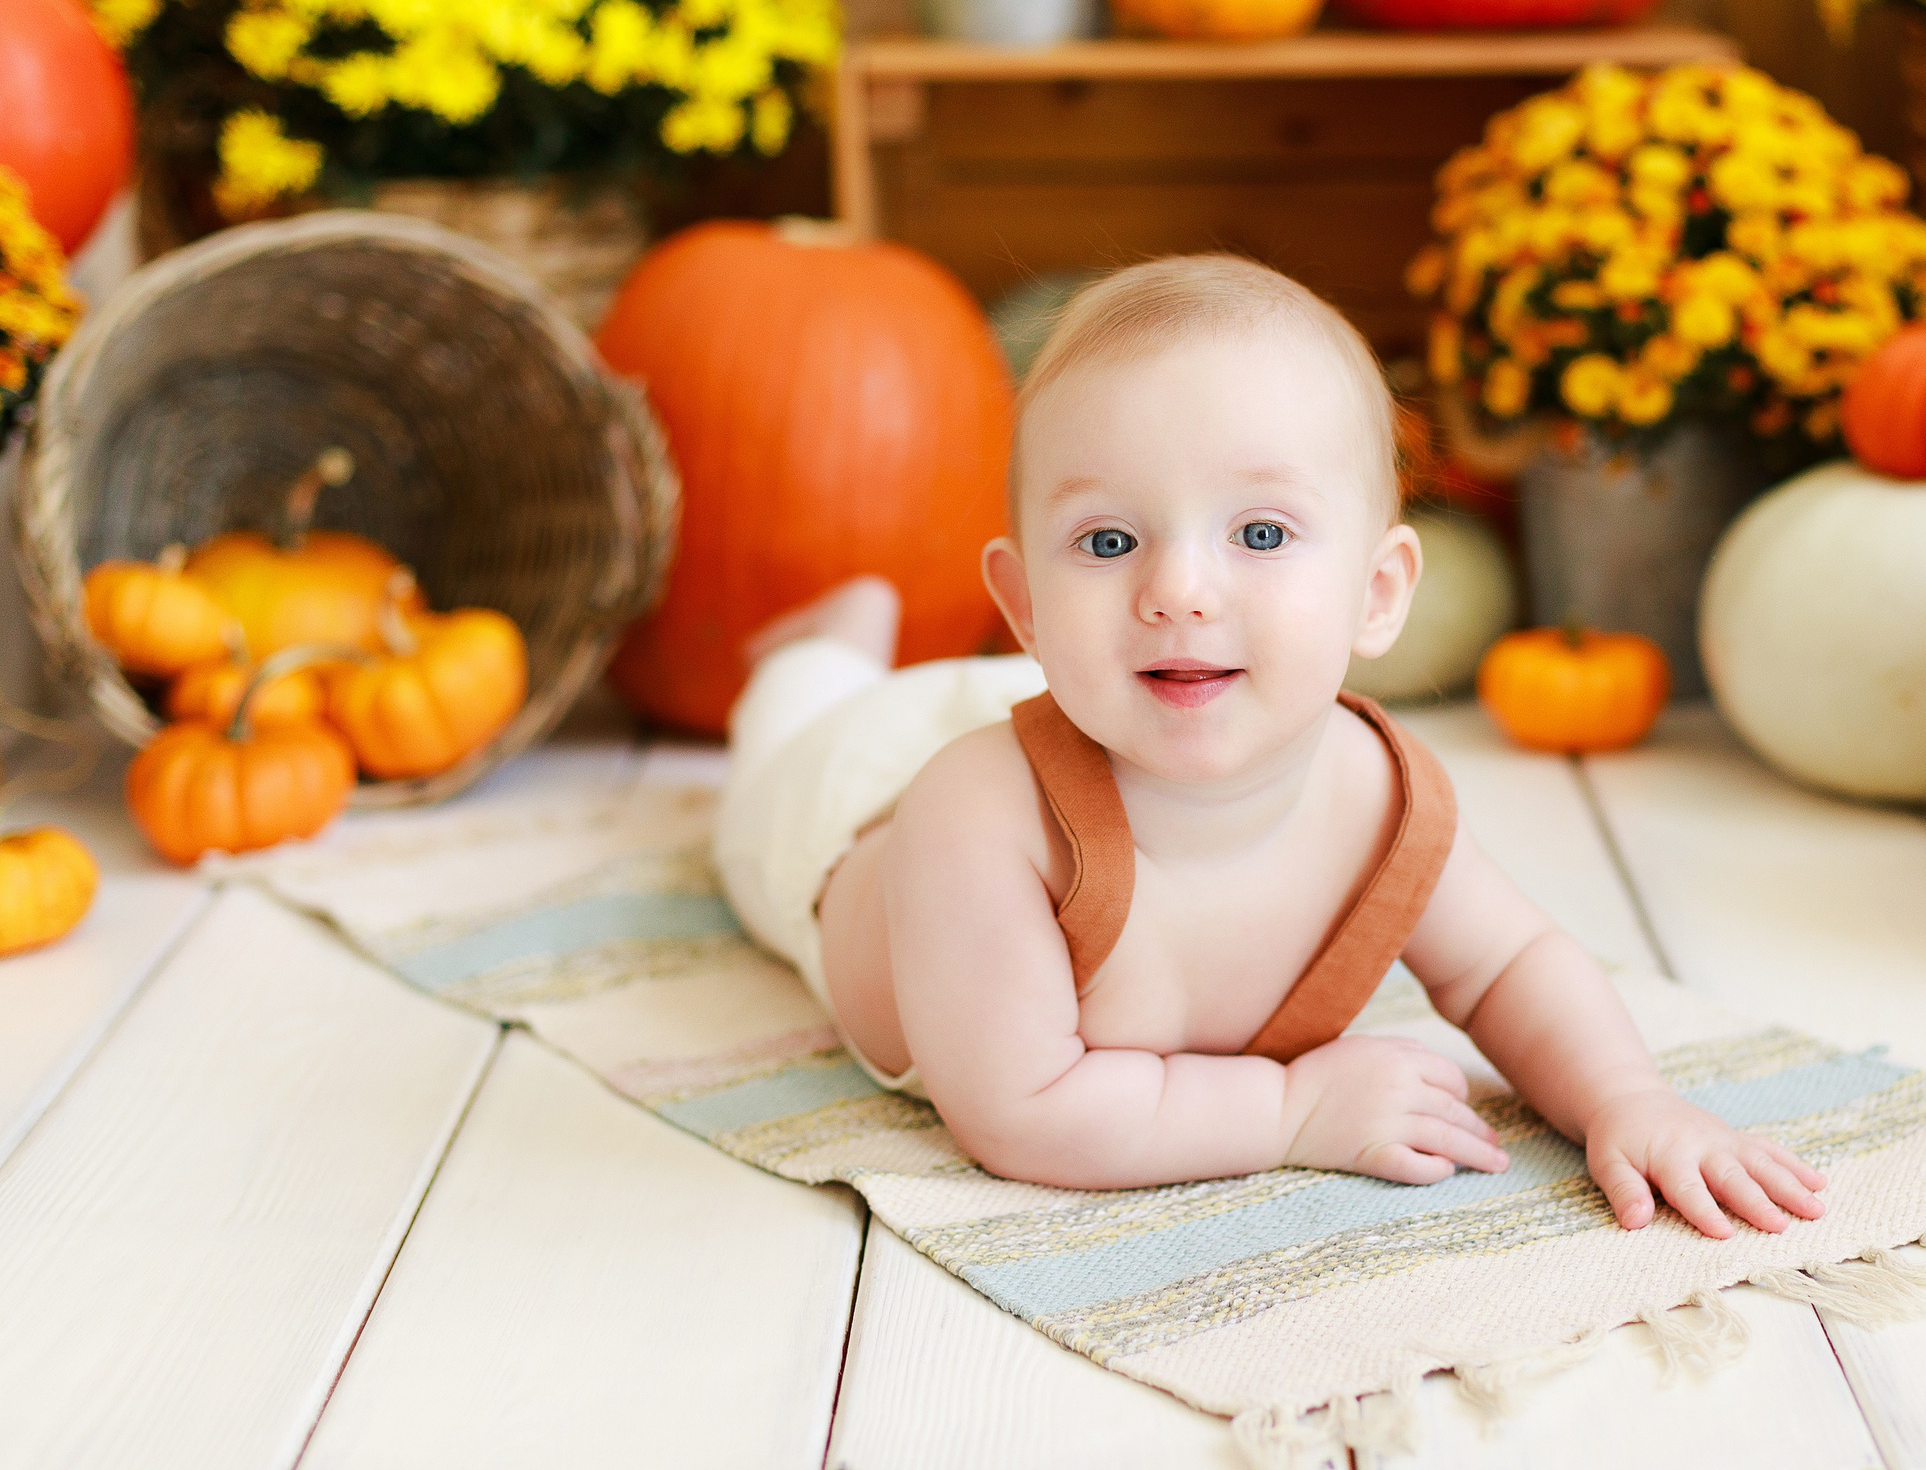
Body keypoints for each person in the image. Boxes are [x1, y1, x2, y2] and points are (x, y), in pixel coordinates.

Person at [716, 256, 1827, 1237]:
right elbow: (1021, 1110)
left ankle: (855, 646)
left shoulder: (1374, 797)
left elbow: (1508, 963)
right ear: (1025, 601)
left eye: (1259, 533)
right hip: (845, 807)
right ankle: (826, 649)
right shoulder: (977, 818)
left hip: (1103, 694)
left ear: (1377, 592)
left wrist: (1625, 1098)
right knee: (795, 730)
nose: (1179, 593)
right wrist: (1288, 1112)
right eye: (1107, 541)